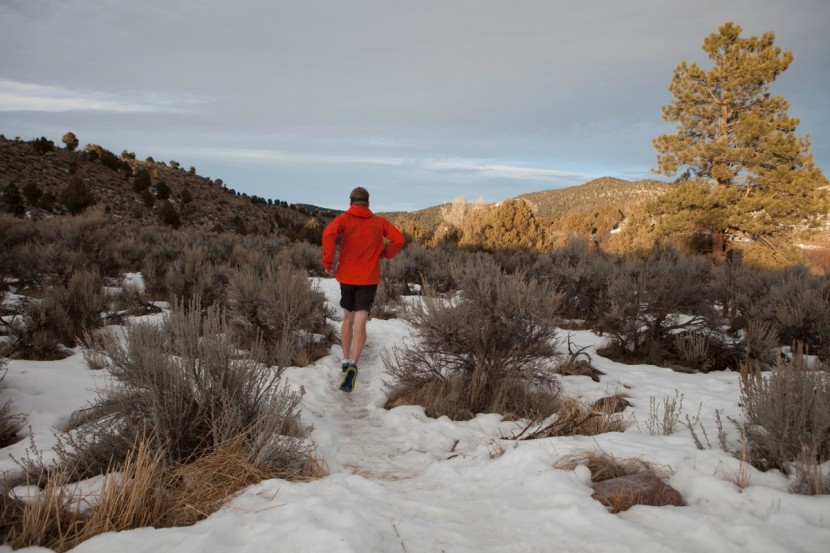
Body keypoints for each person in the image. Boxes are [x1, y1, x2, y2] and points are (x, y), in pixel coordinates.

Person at [321, 187, 405, 392]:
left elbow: (328, 233)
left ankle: (345, 359)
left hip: (347, 276)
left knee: (347, 319)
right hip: (368, 278)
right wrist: (386, 253)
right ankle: (354, 364)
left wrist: (328, 262)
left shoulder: (344, 219)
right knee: (360, 322)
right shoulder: (379, 222)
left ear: (351, 202)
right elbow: (399, 239)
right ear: (368, 203)